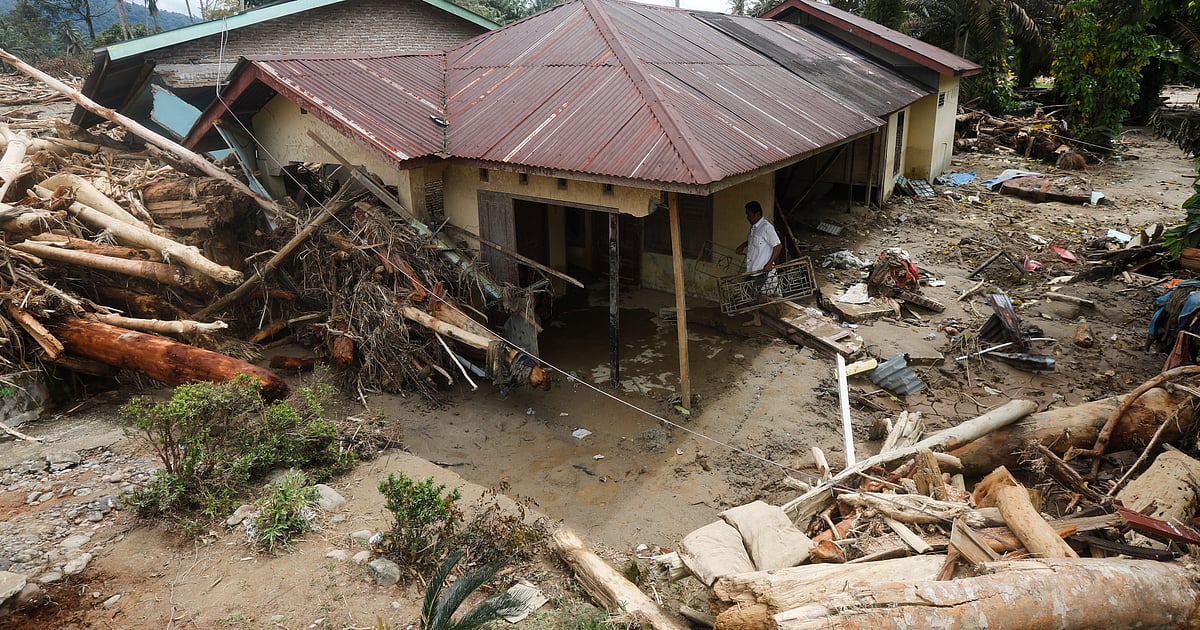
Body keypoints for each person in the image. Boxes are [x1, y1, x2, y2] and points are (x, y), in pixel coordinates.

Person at [735, 201, 782, 326]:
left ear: (757, 214)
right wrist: (742, 245)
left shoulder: (767, 227)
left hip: (761, 268)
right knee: (749, 293)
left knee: (753, 294)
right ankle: (758, 317)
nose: (747, 217)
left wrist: (769, 263)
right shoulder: (754, 228)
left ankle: (772, 303)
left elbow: (778, 246)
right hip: (752, 267)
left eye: (749, 215)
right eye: (747, 214)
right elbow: (752, 241)